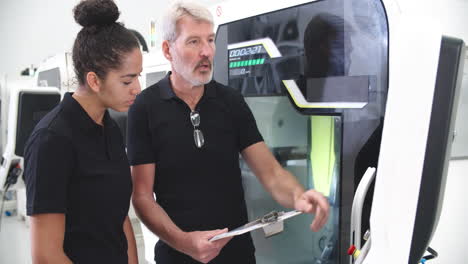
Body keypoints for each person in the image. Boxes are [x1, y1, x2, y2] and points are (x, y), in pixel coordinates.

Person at [127, 1, 330, 264]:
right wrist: (184, 243)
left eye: (210, 40)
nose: (207, 52)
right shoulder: (144, 109)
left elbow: (270, 172)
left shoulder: (230, 102)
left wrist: (298, 196)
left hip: (237, 255)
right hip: (177, 257)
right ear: (167, 49)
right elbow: (142, 197)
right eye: (194, 42)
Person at [23, 0, 142, 263]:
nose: (138, 88)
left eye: (138, 76)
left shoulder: (109, 128)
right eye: (127, 80)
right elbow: (46, 254)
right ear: (94, 80)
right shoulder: (52, 140)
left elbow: (119, 218)